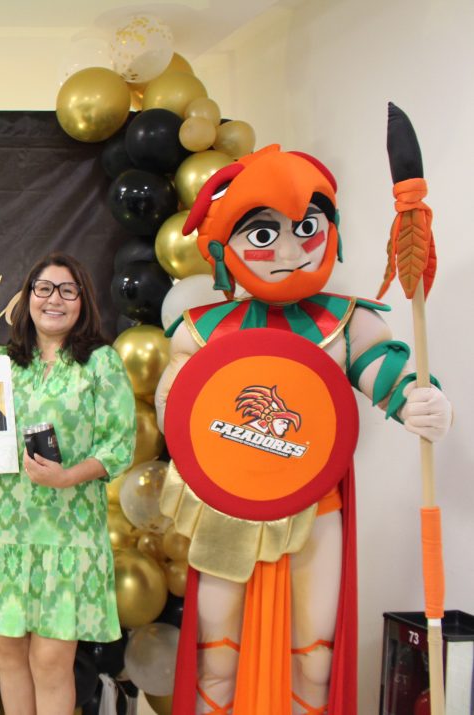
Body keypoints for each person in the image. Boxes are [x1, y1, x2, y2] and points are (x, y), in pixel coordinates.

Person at [154, 145, 453, 714]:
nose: (290, 251)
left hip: (316, 508)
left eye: (307, 228)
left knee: (315, 660)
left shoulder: (348, 323)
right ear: (225, 246)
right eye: (265, 234)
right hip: (228, 511)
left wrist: (422, 402)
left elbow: (390, 379)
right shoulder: (199, 331)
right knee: (217, 657)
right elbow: (178, 421)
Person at [0, 252, 137, 715]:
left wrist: (67, 476)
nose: (54, 299)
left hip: (67, 537)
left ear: (83, 301)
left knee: (52, 662)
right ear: (28, 298)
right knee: (9, 657)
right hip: (3, 534)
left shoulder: (101, 363)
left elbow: (119, 446)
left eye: (67, 290)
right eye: (44, 289)